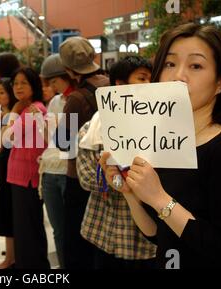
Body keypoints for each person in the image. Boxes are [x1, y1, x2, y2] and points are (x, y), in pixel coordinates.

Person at [100, 23, 221, 269]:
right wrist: (130, 193)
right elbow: (158, 234)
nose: (178, 75)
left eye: (196, 66)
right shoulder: (164, 142)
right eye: (170, 64)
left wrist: (160, 198)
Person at [77, 55, 156, 269]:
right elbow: (86, 178)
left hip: (146, 240)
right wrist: (124, 185)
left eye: (151, 79)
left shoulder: (160, 130)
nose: (148, 84)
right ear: (120, 84)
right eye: (142, 78)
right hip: (105, 233)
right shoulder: (93, 128)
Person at [58, 36, 110, 269]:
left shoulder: (76, 99)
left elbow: (63, 142)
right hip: (114, 174)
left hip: (80, 179)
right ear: (94, 58)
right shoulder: (114, 85)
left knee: (78, 243)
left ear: (68, 70)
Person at [0, 67, 50, 269]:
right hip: (20, 176)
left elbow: (6, 138)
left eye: (24, 83)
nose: (18, 87)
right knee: (25, 230)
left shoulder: (33, 109)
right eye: (15, 83)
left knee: (29, 230)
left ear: (34, 86)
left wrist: (12, 112)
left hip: (28, 177)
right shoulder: (25, 109)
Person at [37, 53, 77, 268]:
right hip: (51, 170)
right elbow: (50, 140)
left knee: (73, 229)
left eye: (54, 81)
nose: (52, 85)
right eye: (49, 82)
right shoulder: (55, 101)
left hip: (70, 172)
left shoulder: (79, 98)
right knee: (59, 230)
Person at [0, 79, 18, 268]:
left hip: (11, 169)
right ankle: (11, 255)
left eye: (1, 92)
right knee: (7, 212)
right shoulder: (2, 116)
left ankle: (10, 258)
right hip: (6, 168)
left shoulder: (10, 117)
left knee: (9, 214)